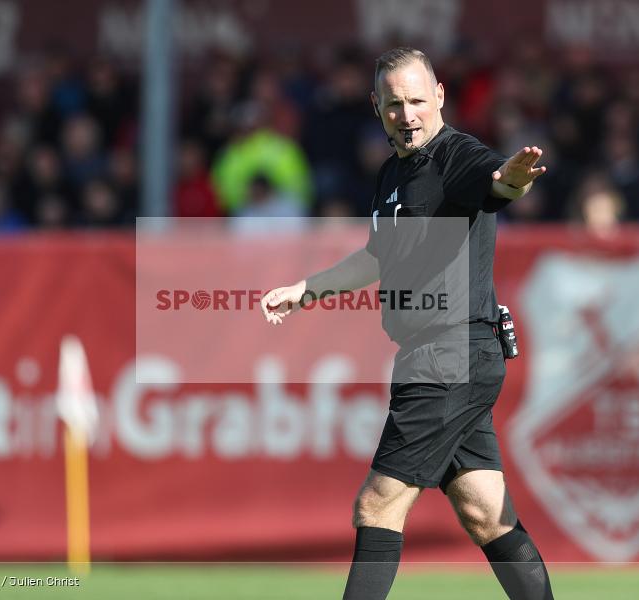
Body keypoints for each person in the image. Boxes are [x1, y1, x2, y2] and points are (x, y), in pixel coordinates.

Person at [260, 48, 553, 599]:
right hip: (440, 355)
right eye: (394, 103)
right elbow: (377, 257)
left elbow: (498, 185)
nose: (407, 113)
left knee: (377, 505)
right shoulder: (394, 172)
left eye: (418, 100)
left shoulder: (457, 155)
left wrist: (514, 180)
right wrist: (307, 288)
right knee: (487, 515)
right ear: (377, 106)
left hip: (452, 356)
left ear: (440, 96)